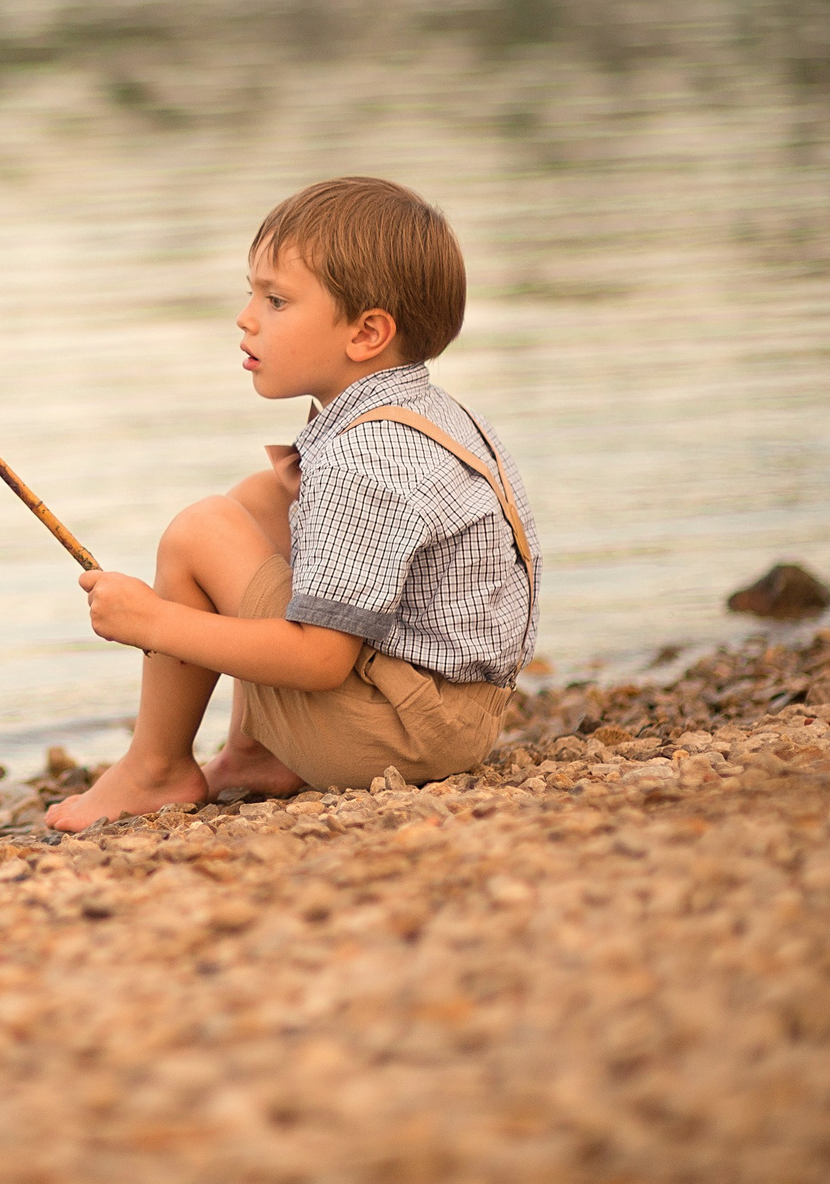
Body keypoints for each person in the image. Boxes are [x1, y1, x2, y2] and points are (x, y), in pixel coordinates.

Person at [47, 176, 538, 831]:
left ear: (366, 334)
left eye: (276, 300)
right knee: (259, 501)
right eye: (251, 292)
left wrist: (152, 621)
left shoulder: (360, 460)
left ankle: (155, 766)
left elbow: (318, 658)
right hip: (450, 712)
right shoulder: (425, 412)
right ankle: (254, 752)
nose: (246, 316)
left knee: (200, 532)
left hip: (399, 736)